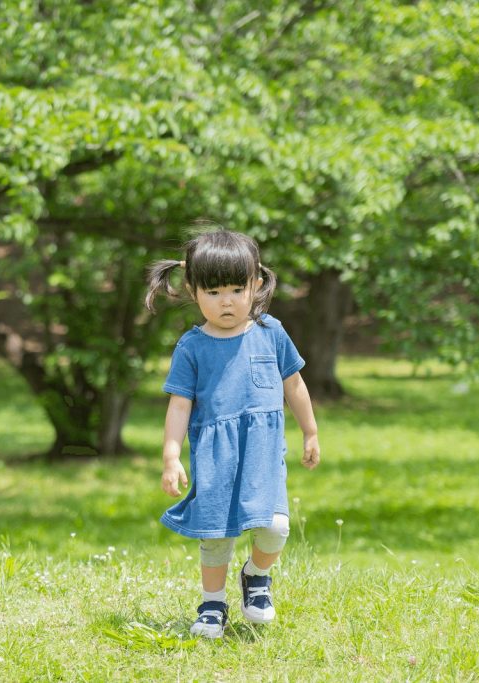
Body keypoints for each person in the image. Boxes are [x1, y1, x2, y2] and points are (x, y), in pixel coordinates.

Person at [145, 226, 321, 638]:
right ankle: (212, 604)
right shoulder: (191, 347)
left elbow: (293, 385)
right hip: (214, 456)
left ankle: (256, 576)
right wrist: (171, 455)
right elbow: (179, 405)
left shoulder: (271, 333)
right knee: (216, 534)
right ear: (193, 290)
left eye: (236, 289)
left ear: (255, 284)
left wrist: (309, 432)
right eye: (213, 292)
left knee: (275, 526)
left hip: (262, 452)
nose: (226, 301)